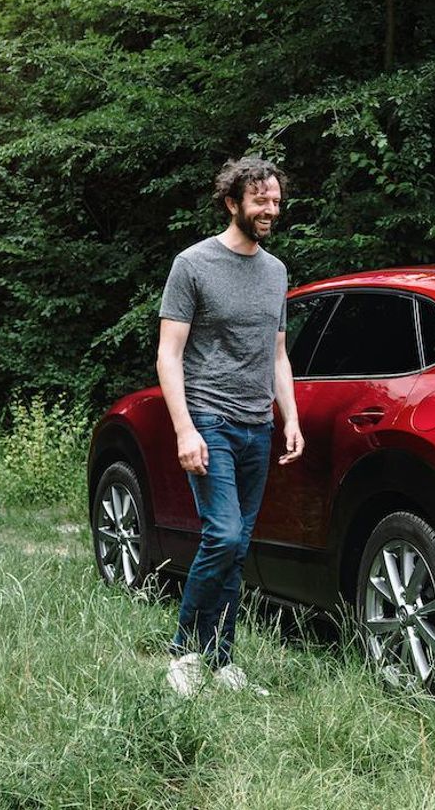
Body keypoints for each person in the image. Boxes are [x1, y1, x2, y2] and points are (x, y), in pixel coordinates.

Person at [157, 157, 304, 697]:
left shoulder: (276, 271)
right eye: (261, 200)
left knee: (239, 545)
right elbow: (168, 355)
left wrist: (289, 417)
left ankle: (222, 661)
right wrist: (184, 430)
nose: (270, 210)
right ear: (232, 202)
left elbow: (278, 354)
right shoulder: (193, 265)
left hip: (256, 425)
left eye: (276, 201)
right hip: (210, 418)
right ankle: (183, 653)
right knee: (220, 534)